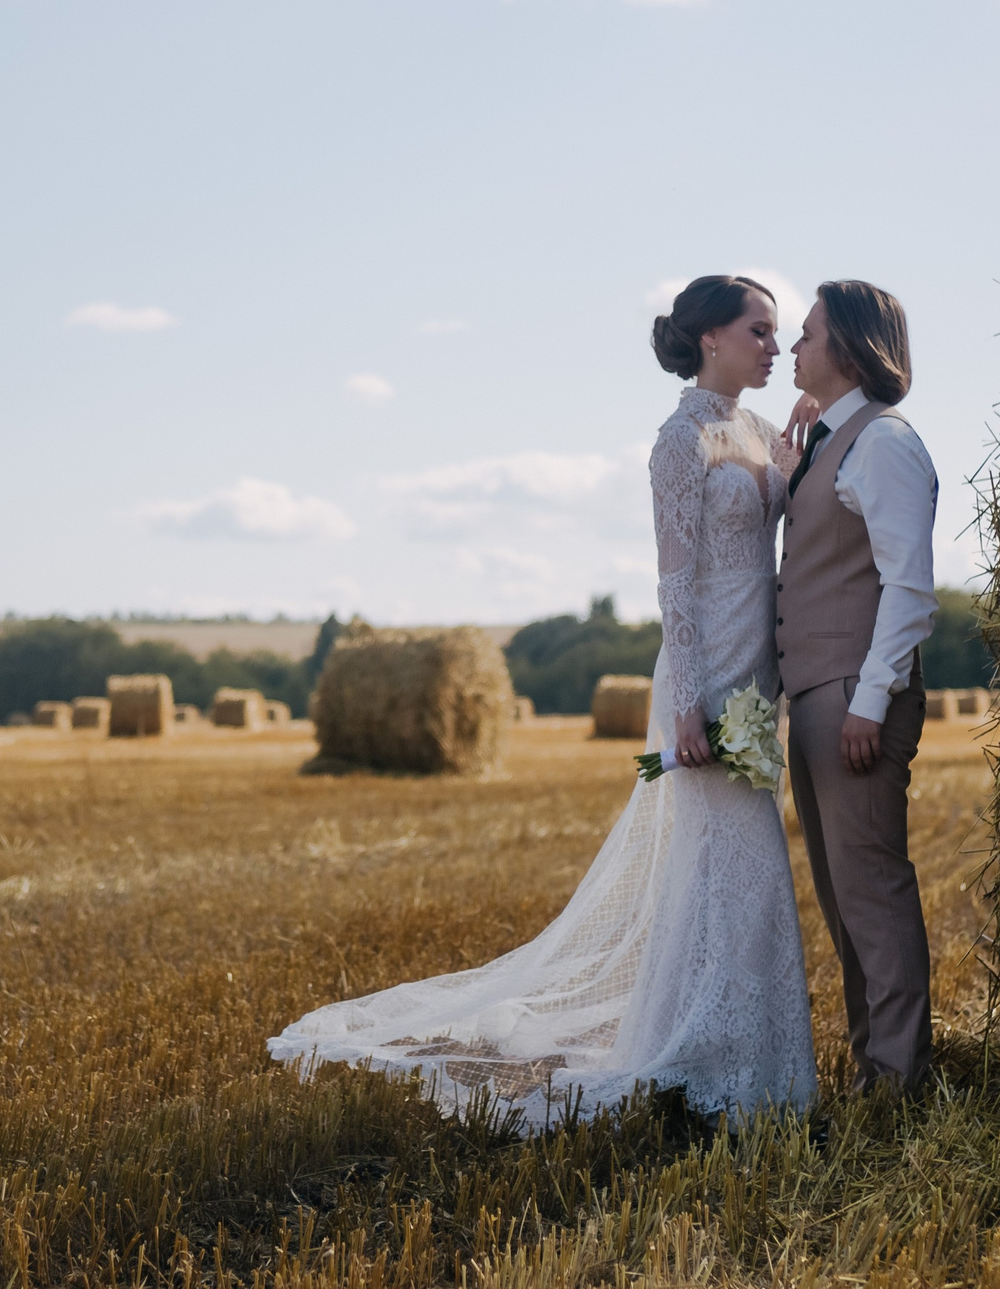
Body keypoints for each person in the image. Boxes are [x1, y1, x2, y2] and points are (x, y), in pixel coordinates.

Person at [267, 274, 816, 1129]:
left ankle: (746, 1059)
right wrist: (681, 705)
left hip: (757, 674)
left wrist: (788, 467)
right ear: (710, 338)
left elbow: (761, 531)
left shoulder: (749, 428)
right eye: (759, 330)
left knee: (736, 867)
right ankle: (705, 1060)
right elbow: (676, 578)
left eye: (777, 332)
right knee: (726, 864)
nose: (773, 346)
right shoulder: (679, 441)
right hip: (707, 681)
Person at [776, 280, 940, 1091]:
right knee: (844, 899)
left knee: (871, 890)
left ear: (846, 347)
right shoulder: (830, 440)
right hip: (819, 693)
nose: (793, 349)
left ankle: (901, 1077)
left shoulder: (884, 442)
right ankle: (875, 1067)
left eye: (805, 335)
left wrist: (869, 702)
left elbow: (908, 586)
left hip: (852, 694)